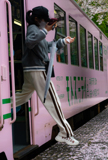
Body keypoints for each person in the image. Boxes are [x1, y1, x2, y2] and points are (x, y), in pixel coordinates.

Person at [12, 6, 79, 146]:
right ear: (37, 19)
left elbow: (46, 46)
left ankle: (3, 106)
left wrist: (63, 42)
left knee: (24, 95)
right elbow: (29, 42)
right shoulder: (33, 29)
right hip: (37, 69)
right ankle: (65, 134)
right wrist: (45, 30)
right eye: (45, 20)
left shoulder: (37, 30)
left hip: (32, 70)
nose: (47, 23)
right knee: (53, 101)